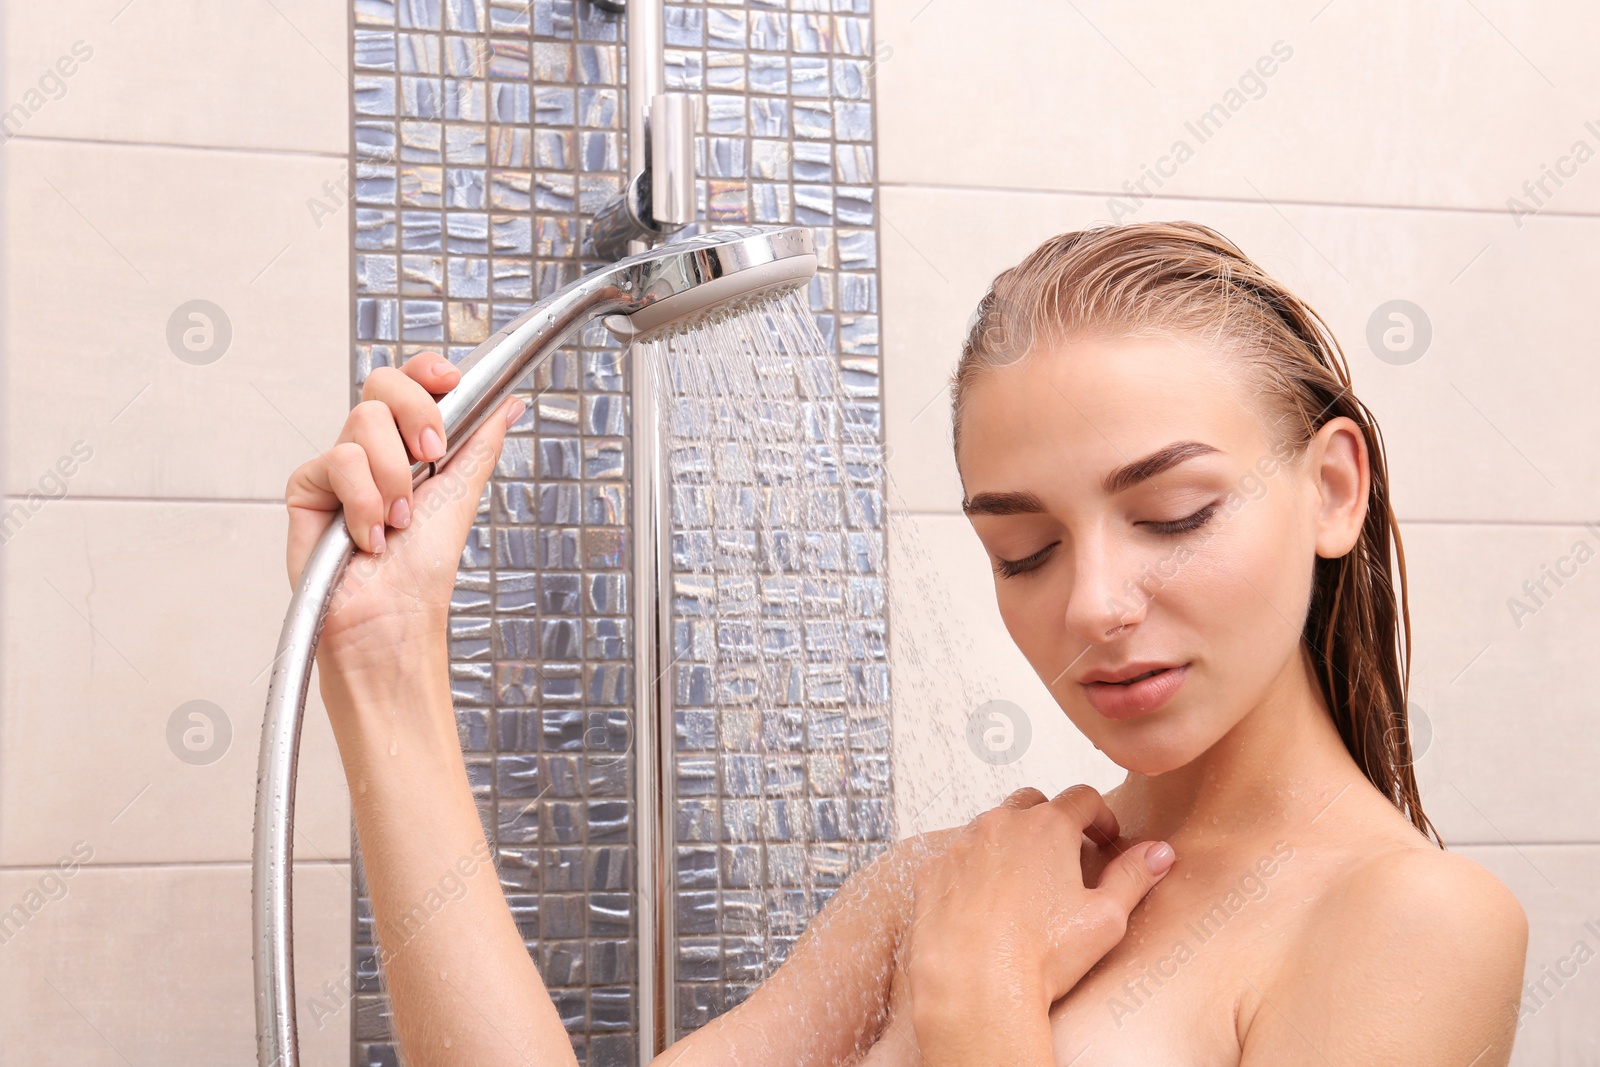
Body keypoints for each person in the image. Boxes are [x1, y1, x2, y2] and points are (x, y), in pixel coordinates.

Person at [285, 221, 1527, 1066]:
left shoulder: (1411, 921)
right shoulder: (964, 879)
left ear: (1332, 488)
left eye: (1172, 513)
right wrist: (384, 661)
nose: (1091, 602)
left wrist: (977, 1003)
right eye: (1023, 550)